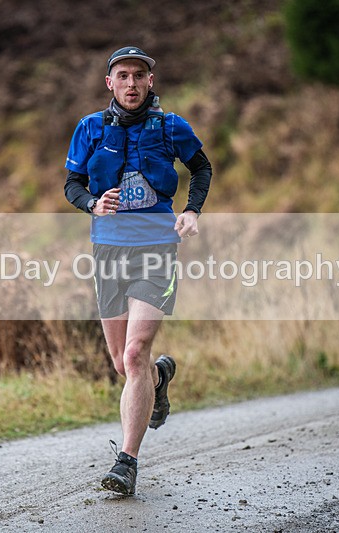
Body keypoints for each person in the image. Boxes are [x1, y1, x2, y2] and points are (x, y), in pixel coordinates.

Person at [64, 46, 212, 495]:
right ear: (110, 83)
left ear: (151, 82)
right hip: (108, 252)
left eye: (139, 76)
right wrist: (92, 202)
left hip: (157, 249)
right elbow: (71, 183)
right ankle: (160, 378)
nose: (131, 83)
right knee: (122, 364)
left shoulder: (171, 127)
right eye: (123, 76)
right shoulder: (90, 128)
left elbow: (201, 167)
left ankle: (126, 462)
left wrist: (192, 211)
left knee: (134, 354)